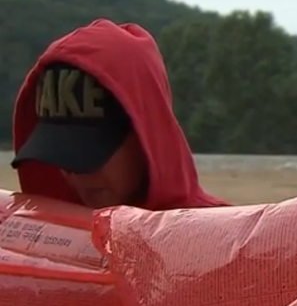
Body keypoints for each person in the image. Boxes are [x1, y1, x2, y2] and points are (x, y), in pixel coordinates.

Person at [11, 19, 227, 210]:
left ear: (146, 137)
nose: (74, 172)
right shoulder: (55, 239)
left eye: (87, 153)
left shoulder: (225, 245)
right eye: (58, 154)